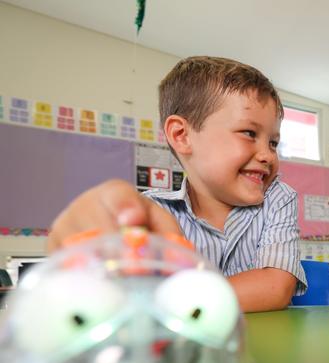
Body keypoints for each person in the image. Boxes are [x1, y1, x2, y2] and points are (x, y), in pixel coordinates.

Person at [48, 56, 306, 312]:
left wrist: (170, 298)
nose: (268, 155)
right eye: (249, 133)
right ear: (181, 135)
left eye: (273, 142)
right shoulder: (153, 210)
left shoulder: (278, 197)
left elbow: (275, 287)